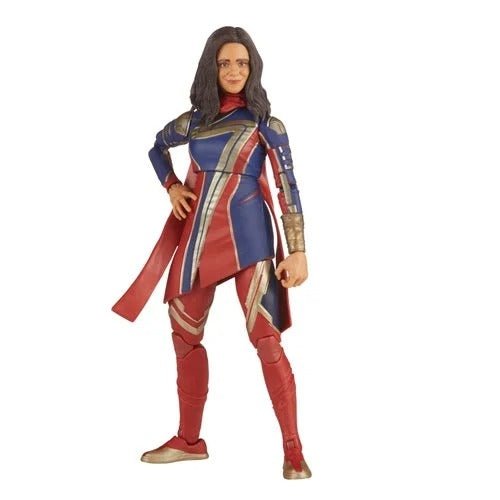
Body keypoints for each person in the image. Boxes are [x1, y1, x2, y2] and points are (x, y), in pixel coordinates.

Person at [112, 26, 311, 480]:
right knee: (184, 335)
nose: (235, 71)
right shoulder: (196, 121)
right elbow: (157, 147)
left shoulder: (267, 125)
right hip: (199, 237)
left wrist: (298, 250)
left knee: (266, 339)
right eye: (225, 63)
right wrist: (171, 186)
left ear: (253, 67)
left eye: (242, 63)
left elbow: (287, 186)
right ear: (212, 68)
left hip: (250, 236)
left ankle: (293, 448)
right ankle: (189, 440)